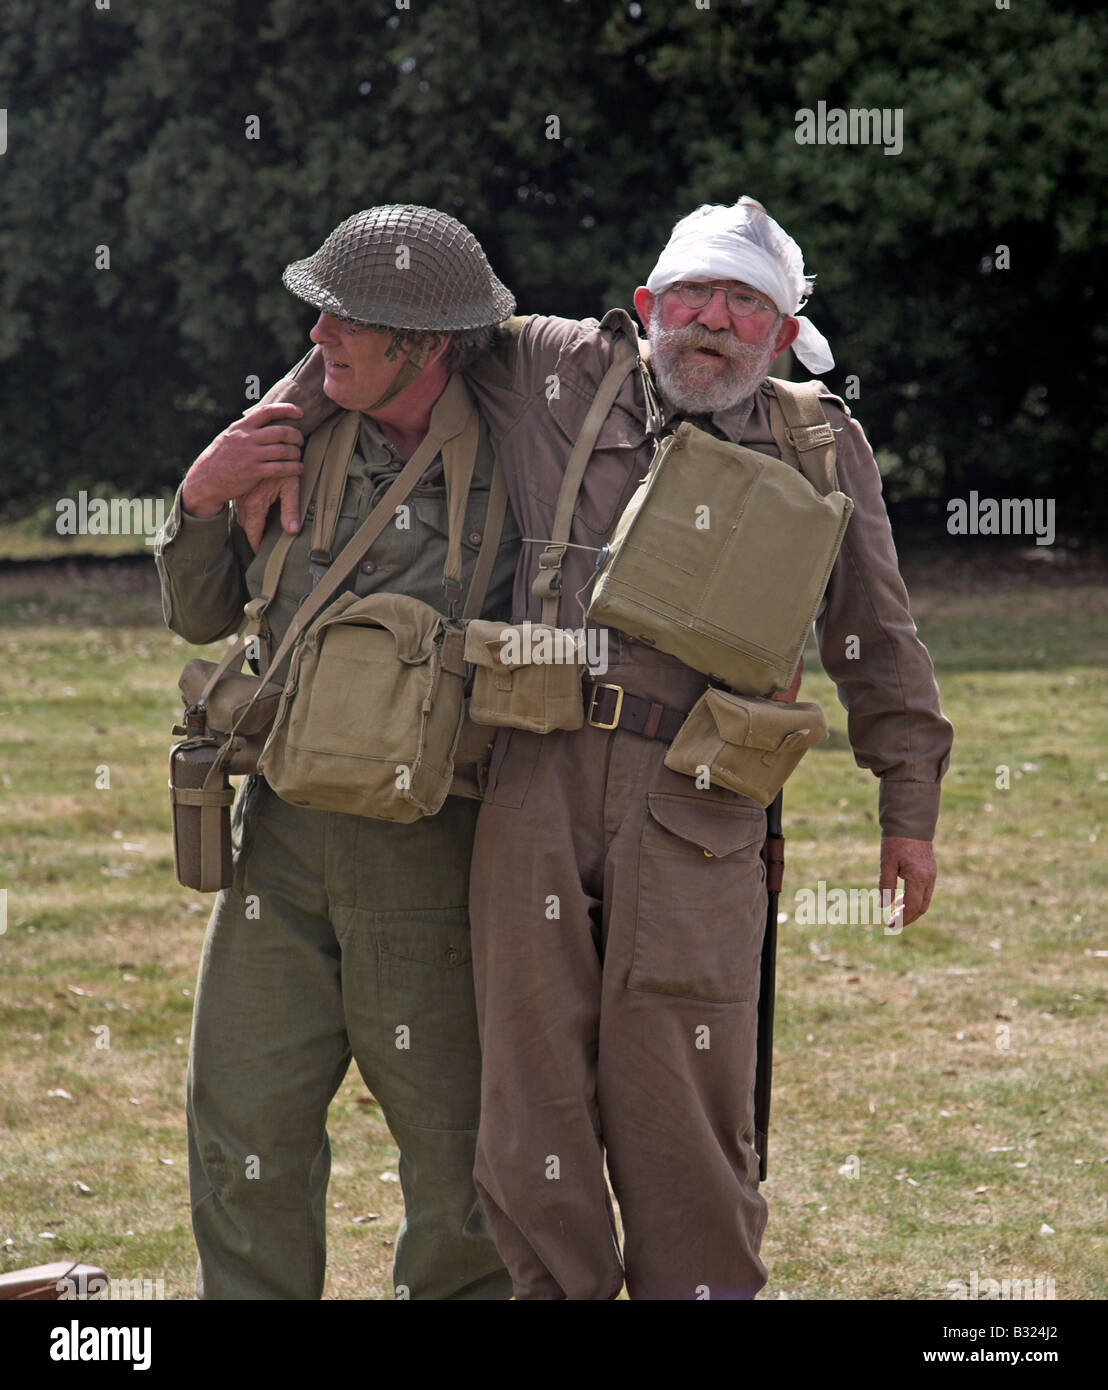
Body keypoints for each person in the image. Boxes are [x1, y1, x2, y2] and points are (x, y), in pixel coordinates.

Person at [251, 195, 954, 1301]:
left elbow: (876, 632)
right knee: (529, 1097)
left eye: (745, 305)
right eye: (693, 296)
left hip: (702, 802)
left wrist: (905, 805)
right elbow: (389, 328)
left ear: (780, 335)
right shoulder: (550, 369)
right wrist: (258, 433)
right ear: (646, 304)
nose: (712, 321)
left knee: (682, 1091)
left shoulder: (817, 440)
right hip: (536, 777)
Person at [155, 205, 519, 1300]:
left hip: (434, 848)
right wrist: (200, 500)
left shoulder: (522, 455)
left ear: (430, 344)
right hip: (283, 839)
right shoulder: (293, 432)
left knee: (457, 1157)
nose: (317, 340)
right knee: (243, 1123)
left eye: (345, 322)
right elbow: (203, 614)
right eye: (315, 318)